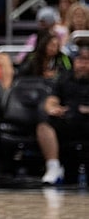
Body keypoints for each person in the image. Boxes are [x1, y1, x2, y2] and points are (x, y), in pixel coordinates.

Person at [36, 45, 89, 185]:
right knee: (44, 124)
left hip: (87, 120)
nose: (82, 64)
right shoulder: (64, 78)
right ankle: (53, 167)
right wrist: (53, 108)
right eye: (80, 60)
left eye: (86, 60)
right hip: (68, 118)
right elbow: (51, 100)